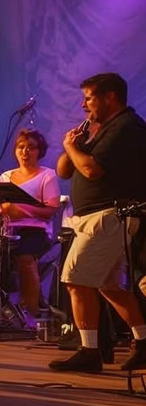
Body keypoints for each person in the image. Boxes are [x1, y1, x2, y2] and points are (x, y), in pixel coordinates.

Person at [51, 72, 146, 373]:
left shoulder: (126, 127)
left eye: (89, 97)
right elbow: (65, 171)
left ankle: (88, 351)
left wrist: (72, 148)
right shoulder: (102, 129)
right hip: (98, 217)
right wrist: (72, 144)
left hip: (109, 216)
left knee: (75, 280)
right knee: (109, 286)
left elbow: (92, 171)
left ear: (110, 97)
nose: (83, 105)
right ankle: (144, 343)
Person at [0, 127, 62, 324]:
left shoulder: (46, 175)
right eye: (21, 147)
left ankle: (31, 313)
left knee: (25, 258)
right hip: (7, 229)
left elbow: (51, 210)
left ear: (39, 151)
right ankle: (1, 311)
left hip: (35, 230)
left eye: (31, 148)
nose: (25, 151)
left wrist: (22, 211)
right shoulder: (6, 177)